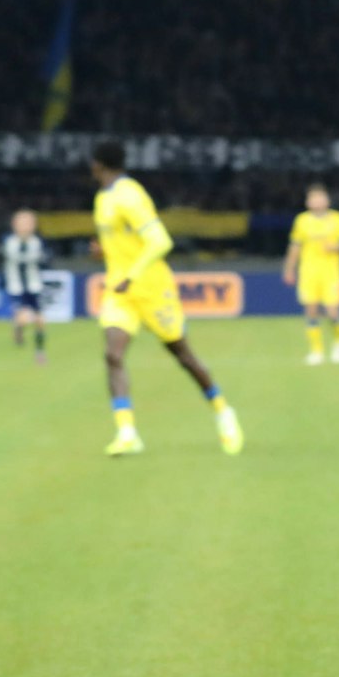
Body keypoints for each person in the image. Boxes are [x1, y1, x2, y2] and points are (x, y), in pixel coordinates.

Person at [90, 141, 243, 457]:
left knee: (183, 356)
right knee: (113, 355)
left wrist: (132, 275)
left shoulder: (130, 196)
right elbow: (126, 242)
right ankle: (127, 433)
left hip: (152, 289)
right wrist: (105, 252)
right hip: (120, 292)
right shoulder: (103, 198)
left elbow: (160, 241)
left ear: (98, 164)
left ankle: (223, 410)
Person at [283, 183, 339, 364]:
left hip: (331, 272)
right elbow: (295, 246)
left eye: (321, 198)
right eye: (314, 198)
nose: (318, 202)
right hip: (308, 272)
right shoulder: (302, 220)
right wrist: (289, 269)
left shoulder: (338, 219)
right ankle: (316, 351)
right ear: (308, 202)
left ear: (327, 200)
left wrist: (334, 247)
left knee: (332, 311)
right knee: (311, 310)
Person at [0, 207, 49, 363]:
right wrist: (1, 281)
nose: (26, 226)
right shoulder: (7, 242)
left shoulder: (38, 242)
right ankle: (18, 329)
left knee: (40, 321)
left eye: (29, 222)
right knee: (23, 318)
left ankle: (40, 352)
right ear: (14, 224)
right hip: (16, 287)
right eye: (23, 222)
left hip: (34, 286)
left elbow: (45, 262)